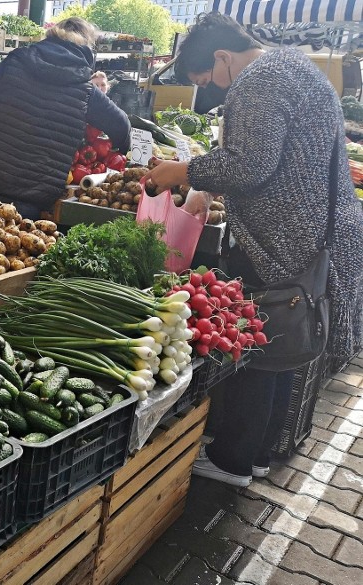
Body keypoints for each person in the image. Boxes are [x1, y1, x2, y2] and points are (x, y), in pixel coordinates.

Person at [146, 13, 363, 487]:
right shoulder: (293, 65)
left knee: (256, 346)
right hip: (310, 231)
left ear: (223, 57)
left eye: (207, 79)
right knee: (286, 338)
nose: (213, 90)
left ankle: (232, 461)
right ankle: (258, 453)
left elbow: (251, 166)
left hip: (284, 237)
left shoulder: (259, 80)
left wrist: (181, 172)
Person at [0, 17, 130, 220]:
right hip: (29, 199)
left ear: (51, 36)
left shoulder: (15, 61)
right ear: (85, 48)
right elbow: (122, 127)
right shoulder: (85, 90)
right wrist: (120, 151)